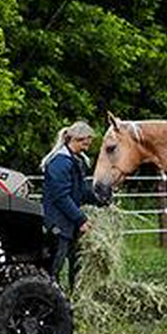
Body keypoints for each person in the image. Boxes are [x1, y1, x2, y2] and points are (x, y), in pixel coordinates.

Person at [40, 120, 99, 290]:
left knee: (77, 262)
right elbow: (61, 197)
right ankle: (49, 296)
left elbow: (79, 191)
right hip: (57, 223)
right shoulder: (59, 162)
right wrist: (80, 219)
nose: (87, 148)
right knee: (54, 266)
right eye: (85, 144)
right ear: (75, 139)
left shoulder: (76, 160)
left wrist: (100, 199)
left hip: (69, 222)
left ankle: (76, 297)